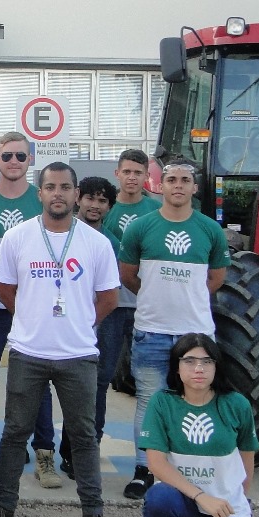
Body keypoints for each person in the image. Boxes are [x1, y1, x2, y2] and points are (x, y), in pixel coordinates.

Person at [0, 162, 120, 517]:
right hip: (28, 352)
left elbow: (108, 298)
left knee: (84, 437)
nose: (58, 193)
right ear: (39, 193)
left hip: (78, 354)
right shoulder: (19, 237)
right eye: (50, 187)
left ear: (76, 194)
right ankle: (4, 511)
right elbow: (5, 289)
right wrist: (31, 318)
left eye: (66, 187)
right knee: (13, 434)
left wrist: (83, 324)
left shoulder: (95, 242)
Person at [119, 158, 230, 500]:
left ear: (195, 188)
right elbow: (127, 274)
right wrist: (156, 296)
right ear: (161, 186)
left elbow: (215, 278)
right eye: (171, 180)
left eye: (185, 180)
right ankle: (144, 470)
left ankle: (189, 470)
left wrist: (188, 298)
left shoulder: (210, 230)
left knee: (195, 404)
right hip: (151, 331)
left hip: (195, 336)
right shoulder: (140, 227)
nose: (178, 186)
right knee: (149, 403)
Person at [0, 132, 59, 488]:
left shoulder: (42, 203)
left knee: (39, 383)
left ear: (30, 158)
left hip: (32, 309)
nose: (14, 162)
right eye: (7, 156)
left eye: (21, 156)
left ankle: (45, 456)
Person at [140, 333, 257, 517]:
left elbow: (248, 457)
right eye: (189, 361)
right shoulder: (163, 402)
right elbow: (156, 463)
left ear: (217, 366)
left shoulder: (236, 404)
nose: (199, 369)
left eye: (207, 361)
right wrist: (201, 496)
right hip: (183, 501)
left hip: (224, 508)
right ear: (177, 367)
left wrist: (240, 501)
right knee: (158, 499)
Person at [57, 175, 123, 478]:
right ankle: (59, 451)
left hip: (102, 321)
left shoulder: (111, 243)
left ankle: (84, 452)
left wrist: (89, 320)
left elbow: (110, 293)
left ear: (109, 207)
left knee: (95, 389)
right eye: (90, 199)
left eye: (102, 201)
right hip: (63, 323)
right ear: (78, 199)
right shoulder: (60, 234)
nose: (95, 206)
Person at [103, 150, 163, 399]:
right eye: (126, 172)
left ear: (147, 176)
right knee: (102, 373)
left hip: (146, 306)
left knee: (149, 377)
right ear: (117, 174)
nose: (131, 178)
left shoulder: (157, 210)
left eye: (138, 173)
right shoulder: (105, 208)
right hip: (112, 305)